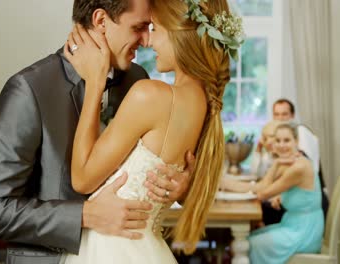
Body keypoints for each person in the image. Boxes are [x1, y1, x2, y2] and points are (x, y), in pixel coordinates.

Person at [0, 1, 194, 263]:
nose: (146, 40)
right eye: (138, 27)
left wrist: (178, 188)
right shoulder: (29, 89)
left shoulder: (138, 80)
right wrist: (86, 215)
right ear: (100, 21)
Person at [60, 0, 242, 262]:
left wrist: (95, 83)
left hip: (113, 250)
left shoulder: (151, 95)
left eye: (154, 28)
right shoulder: (203, 105)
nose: (147, 41)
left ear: (180, 34)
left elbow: (82, 179)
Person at [222, 122, 324, 263]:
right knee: (247, 238)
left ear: (297, 141)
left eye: (287, 140)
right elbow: (261, 186)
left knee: (245, 245)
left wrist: (225, 183)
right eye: (278, 140)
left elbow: (262, 193)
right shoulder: (288, 163)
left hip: (304, 231)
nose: (281, 145)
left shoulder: (298, 167)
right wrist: (225, 183)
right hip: (292, 224)